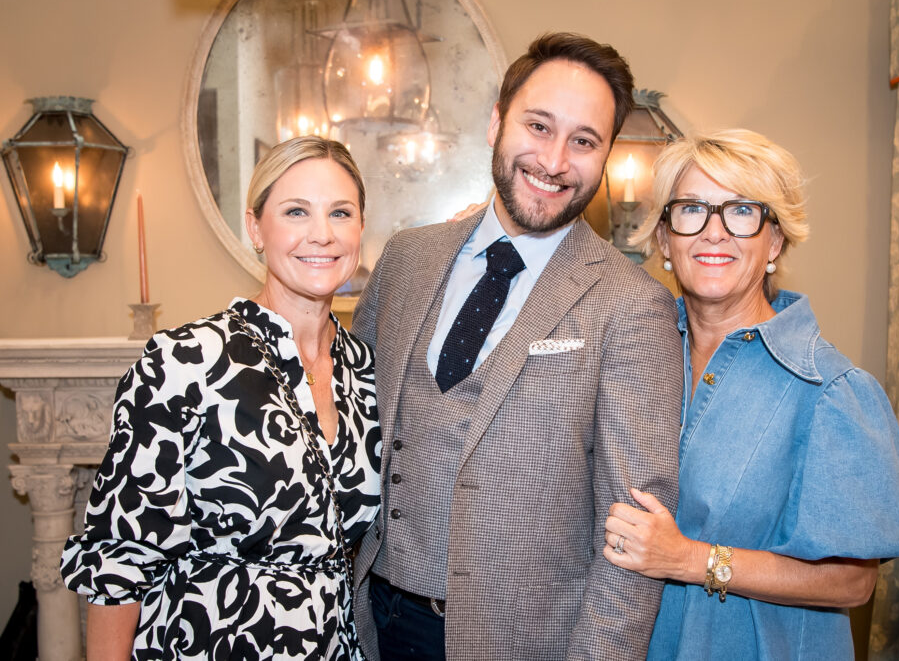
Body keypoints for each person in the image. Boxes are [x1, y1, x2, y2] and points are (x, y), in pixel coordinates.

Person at [350, 32, 684, 660]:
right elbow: (349, 420)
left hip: (519, 642)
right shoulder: (408, 259)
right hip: (374, 622)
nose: (555, 160)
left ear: (606, 156)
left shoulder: (632, 305)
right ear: (497, 123)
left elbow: (633, 540)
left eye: (584, 141)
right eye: (538, 125)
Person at [603, 129, 899, 659]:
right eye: (691, 210)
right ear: (663, 238)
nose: (714, 233)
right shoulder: (628, 358)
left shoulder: (831, 391)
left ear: (775, 241)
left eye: (742, 212)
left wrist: (687, 559)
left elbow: (851, 582)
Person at [61, 137, 382, 660]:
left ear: (361, 229)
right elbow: (119, 558)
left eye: (340, 213)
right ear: (256, 228)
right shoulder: (185, 361)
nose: (321, 235)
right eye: (296, 211)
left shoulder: (366, 370)